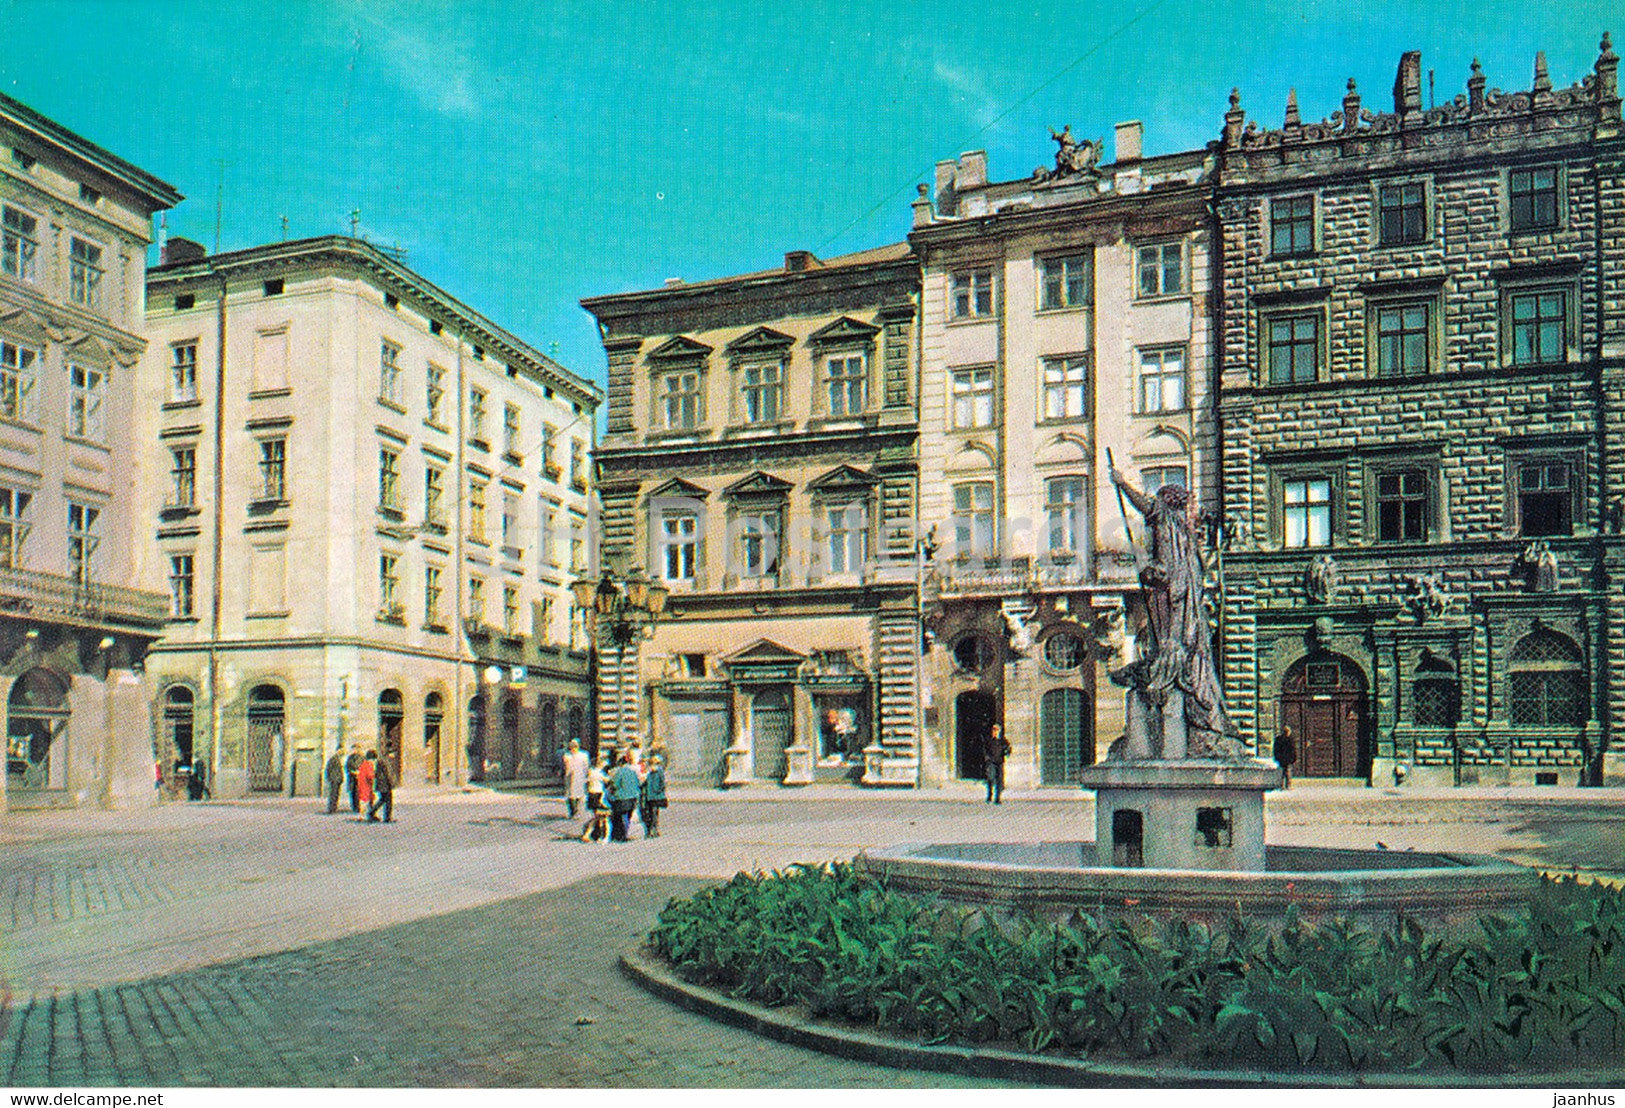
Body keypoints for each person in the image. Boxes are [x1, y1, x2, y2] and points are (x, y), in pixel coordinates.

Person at [1108, 464, 1237, 757]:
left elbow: (1144, 505)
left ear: (1167, 501)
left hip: (1171, 589)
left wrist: (1122, 483)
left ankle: (1167, 671)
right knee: (1182, 639)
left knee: (1170, 638)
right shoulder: (1186, 530)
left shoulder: (1165, 517)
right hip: (1182, 591)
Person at [607, 750, 641, 843]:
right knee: (627, 817)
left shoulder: (620, 772)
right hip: (633, 798)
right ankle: (625, 833)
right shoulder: (633, 772)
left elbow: (615, 785)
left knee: (618, 817)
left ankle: (619, 835)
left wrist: (611, 790)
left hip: (622, 798)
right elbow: (638, 783)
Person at [581, 754, 608, 843]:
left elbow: (586, 781)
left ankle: (592, 834)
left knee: (597, 816)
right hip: (598, 795)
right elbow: (607, 780)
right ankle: (592, 834)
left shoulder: (591, 772)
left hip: (591, 794)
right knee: (600, 817)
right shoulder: (599, 773)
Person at [640, 754, 668, 837]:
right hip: (649, 796)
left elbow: (662, 784)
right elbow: (646, 782)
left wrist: (657, 791)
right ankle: (651, 830)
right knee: (650, 813)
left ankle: (653, 830)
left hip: (656, 796)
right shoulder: (649, 773)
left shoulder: (659, 772)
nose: (651, 767)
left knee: (654, 814)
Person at [983, 724, 1010, 804]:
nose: (995, 731)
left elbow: (1008, 748)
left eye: (996, 730)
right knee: (990, 778)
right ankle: (989, 795)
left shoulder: (1002, 741)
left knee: (999, 780)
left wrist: (1006, 753)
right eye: (993, 729)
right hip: (991, 762)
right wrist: (987, 758)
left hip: (999, 761)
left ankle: (997, 798)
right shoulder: (989, 740)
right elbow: (985, 749)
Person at [562, 739, 589, 818]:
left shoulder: (583, 755)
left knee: (578, 794)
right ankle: (572, 810)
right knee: (570, 795)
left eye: (575, 746)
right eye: (572, 746)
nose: (573, 748)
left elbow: (586, 766)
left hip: (579, 776)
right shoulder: (567, 755)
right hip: (569, 777)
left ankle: (576, 809)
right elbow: (565, 766)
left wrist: (585, 775)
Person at [367, 752, 394, 823]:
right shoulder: (384, 762)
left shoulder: (382, 761)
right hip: (384, 784)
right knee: (387, 800)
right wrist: (390, 783)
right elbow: (387, 774)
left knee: (383, 800)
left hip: (382, 784)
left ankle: (372, 812)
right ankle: (386, 817)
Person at [1274, 725, 1297, 789]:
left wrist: (1277, 757)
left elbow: (1276, 749)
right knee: (1287, 772)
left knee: (1282, 772)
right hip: (1287, 758)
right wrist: (1294, 758)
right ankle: (1287, 785)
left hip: (1282, 758)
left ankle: (1282, 785)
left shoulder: (1279, 739)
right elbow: (1293, 749)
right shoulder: (1290, 740)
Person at [324, 749, 345, 814]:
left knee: (336, 794)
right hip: (334, 779)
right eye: (341, 751)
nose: (342, 752)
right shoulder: (333, 759)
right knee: (333, 794)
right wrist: (329, 778)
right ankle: (332, 808)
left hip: (337, 780)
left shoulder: (339, 759)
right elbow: (328, 769)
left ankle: (334, 807)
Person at [344, 745, 363, 813]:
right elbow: (347, 767)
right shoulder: (350, 758)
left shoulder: (362, 757)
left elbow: (364, 767)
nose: (354, 750)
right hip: (352, 778)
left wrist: (359, 772)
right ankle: (354, 807)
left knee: (358, 793)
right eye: (353, 749)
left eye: (356, 749)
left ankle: (358, 807)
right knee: (352, 793)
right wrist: (351, 771)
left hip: (359, 778)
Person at [356, 750, 376, 815]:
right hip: (367, 785)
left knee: (363, 800)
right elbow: (370, 776)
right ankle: (367, 814)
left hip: (361, 784)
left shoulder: (363, 764)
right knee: (367, 800)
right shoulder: (369, 765)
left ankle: (363, 814)